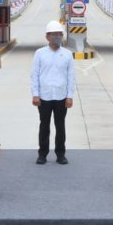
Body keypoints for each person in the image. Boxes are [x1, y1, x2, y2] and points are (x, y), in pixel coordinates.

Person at [31, 20, 75, 165]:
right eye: (54, 34)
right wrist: (35, 94)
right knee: (44, 125)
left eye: (59, 34)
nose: (57, 37)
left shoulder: (68, 54)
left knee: (60, 126)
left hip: (61, 96)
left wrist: (70, 96)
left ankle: (60, 154)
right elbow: (35, 75)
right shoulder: (40, 53)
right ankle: (42, 154)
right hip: (44, 96)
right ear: (47, 37)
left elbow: (71, 77)